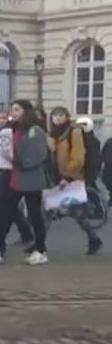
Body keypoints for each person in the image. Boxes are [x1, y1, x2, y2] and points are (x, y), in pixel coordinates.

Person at [0, 100, 50, 265]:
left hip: (31, 180)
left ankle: (40, 249)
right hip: (14, 179)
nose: (13, 112)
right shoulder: (15, 129)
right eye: (12, 109)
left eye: (17, 109)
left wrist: (16, 161)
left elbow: (38, 155)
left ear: (26, 111)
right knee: (5, 213)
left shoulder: (35, 131)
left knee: (34, 215)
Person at [48, 107, 102, 255]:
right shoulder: (52, 134)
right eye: (55, 115)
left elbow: (78, 157)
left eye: (61, 115)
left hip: (71, 178)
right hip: (55, 177)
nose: (58, 118)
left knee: (77, 213)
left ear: (67, 117)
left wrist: (68, 176)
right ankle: (38, 244)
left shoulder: (74, 132)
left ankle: (93, 238)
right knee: (47, 210)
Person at [0, 110, 34, 246]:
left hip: (9, 172)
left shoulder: (12, 133)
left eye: (4, 117)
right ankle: (24, 232)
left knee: (5, 206)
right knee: (7, 206)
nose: (2, 120)